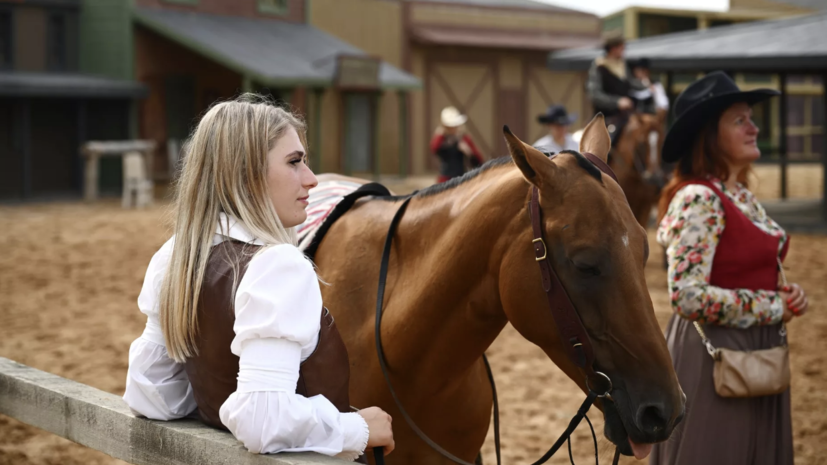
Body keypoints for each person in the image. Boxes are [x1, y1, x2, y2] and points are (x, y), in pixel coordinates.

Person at [123, 95, 394, 461]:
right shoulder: (277, 266)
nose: (312, 179)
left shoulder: (176, 256)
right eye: (294, 162)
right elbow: (262, 420)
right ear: (247, 174)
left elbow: (151, 394)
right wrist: (357, 427)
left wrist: (215, 407)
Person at [650, 72, 809, 465]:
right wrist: (773, 307)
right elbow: (686, 296)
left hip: (757, 354)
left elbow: (748, 269)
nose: (754, 127)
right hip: (715, 358)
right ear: (709, 135)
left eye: (750, 117)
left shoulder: (739, 195)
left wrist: (788, 295)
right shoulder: (700, 198)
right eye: (740, 120)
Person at [430, 106, 484, 182]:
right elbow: (434, 148)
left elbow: (479, 160)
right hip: (445, 179)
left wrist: (468, 152)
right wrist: (440, 133)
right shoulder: (441, 138)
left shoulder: (464, 138)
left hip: (461, 179)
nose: (452, 128)